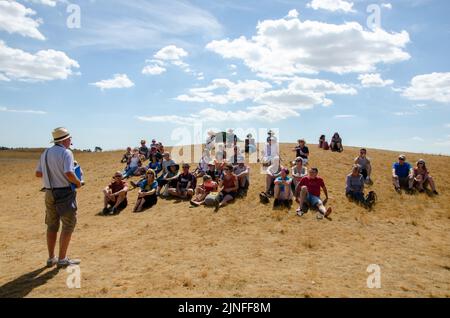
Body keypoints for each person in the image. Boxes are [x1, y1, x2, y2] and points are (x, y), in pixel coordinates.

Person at [35, 127, 82, 268]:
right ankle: (62, 259)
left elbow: (38, 173)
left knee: (51, 225)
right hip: (64, 193)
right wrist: (78, 183)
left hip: (49, 193)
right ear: (65, 140)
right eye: (70, 139)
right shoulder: (66, 153)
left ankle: (51, 258)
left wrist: (53, 174)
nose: (71, 141)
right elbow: (68, 173)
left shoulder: (45, 153)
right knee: (68, 225)